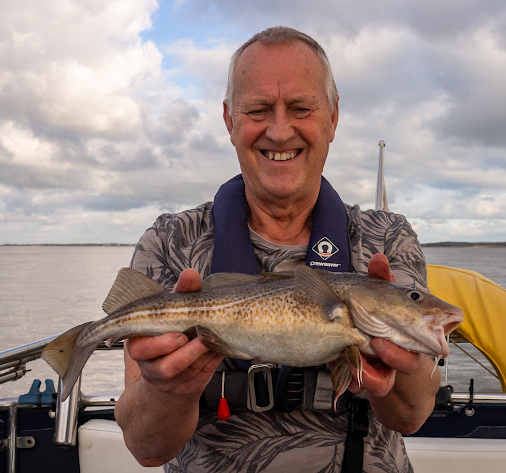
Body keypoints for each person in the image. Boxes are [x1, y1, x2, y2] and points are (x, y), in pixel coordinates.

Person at [115, 26, 438, 473]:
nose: (280, 130)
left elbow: (412, 415)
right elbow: (146, 448)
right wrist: (168, 388)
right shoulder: (170, 241)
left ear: (333, 117)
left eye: (301, 108)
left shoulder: (387, 238)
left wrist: (402, 368)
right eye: (259, 109)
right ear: (230, 121)